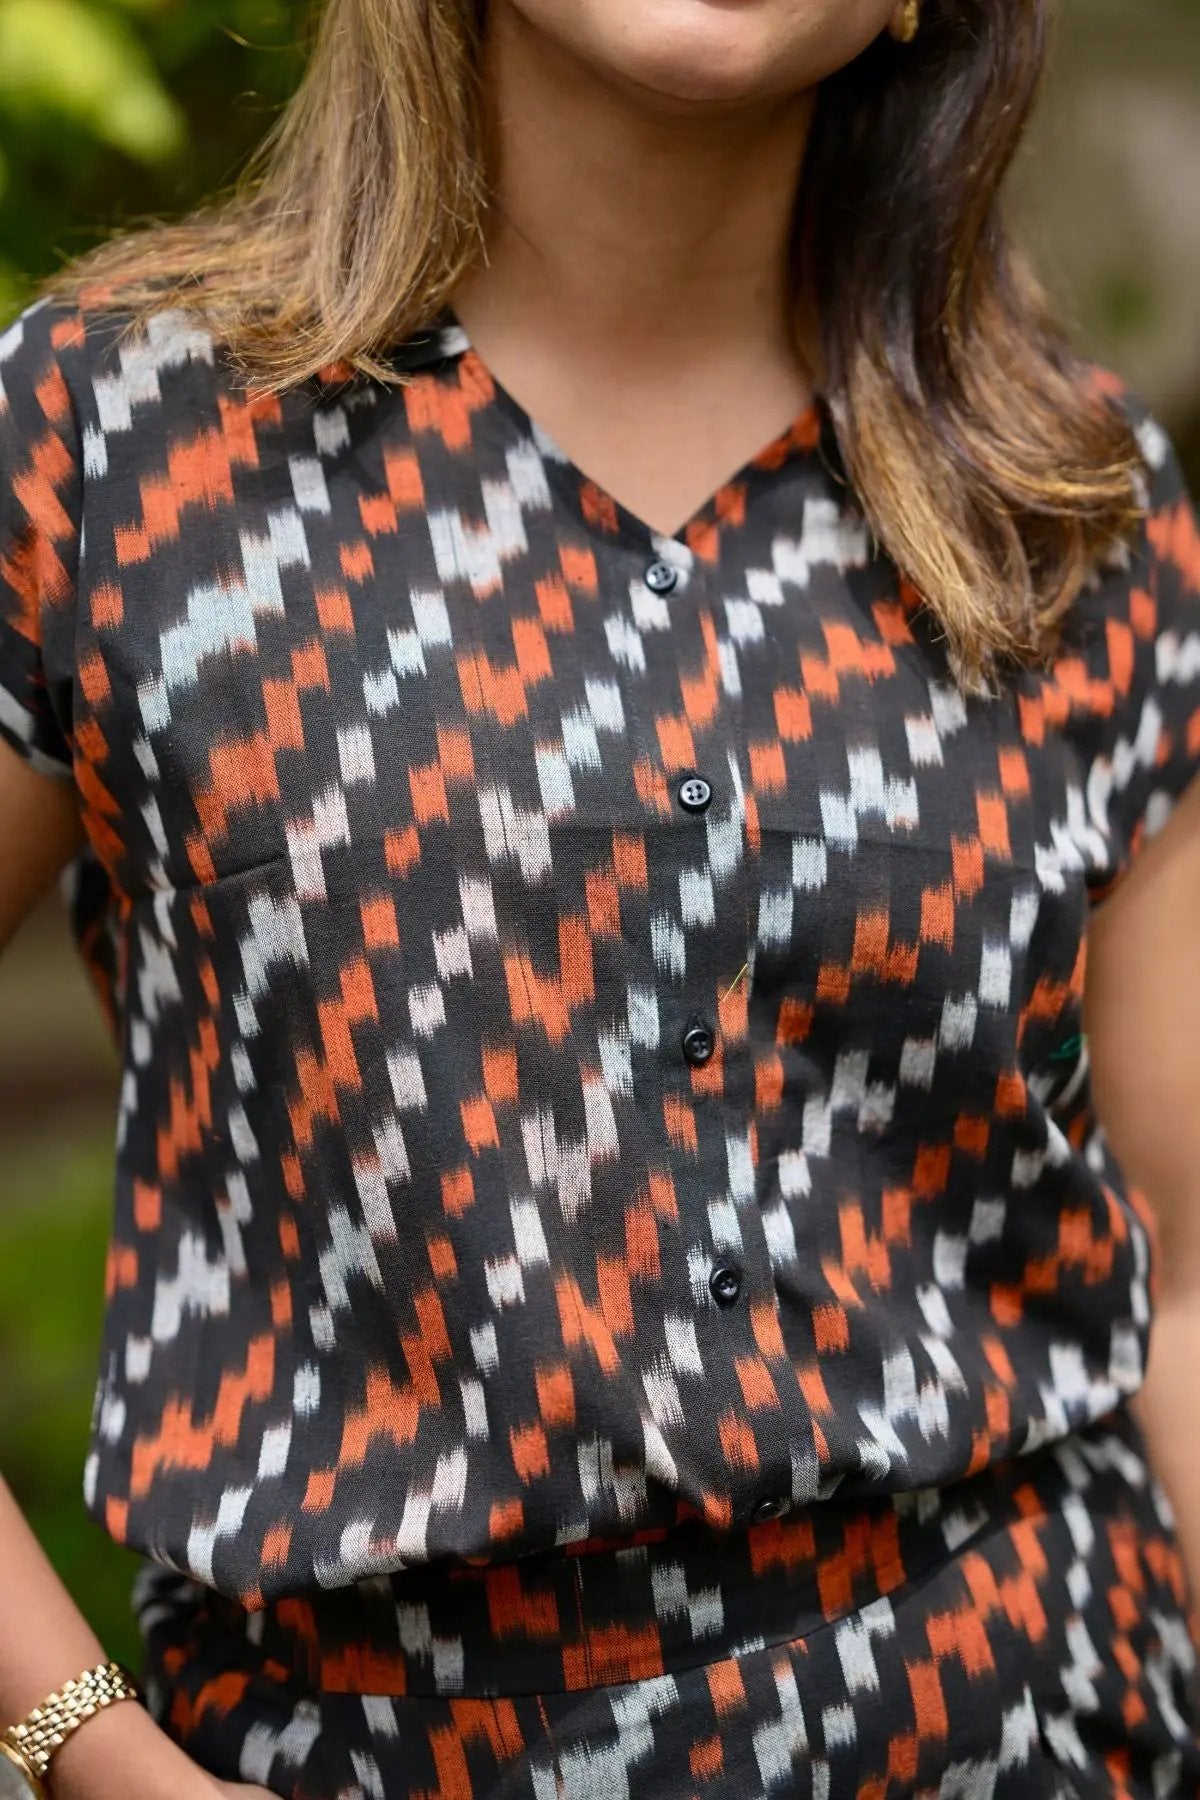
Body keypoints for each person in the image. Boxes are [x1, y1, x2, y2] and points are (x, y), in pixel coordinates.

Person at [2, 0, 1200, 1795]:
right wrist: (89, 1758)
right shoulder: (113, 442)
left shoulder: (1075, 512)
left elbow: (1174, 1276)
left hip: (1039, 1726)